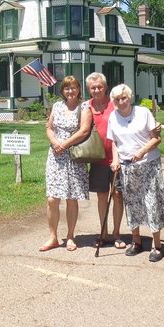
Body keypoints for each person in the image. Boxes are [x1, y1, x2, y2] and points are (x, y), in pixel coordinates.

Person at [107, 84, 164, 262]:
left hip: (148, 164)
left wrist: (143, 151)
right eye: (117, 99)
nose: (121, 102)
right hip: (127, 166)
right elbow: (114, 142)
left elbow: (156, 138)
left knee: (151, 203)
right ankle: (136, 242)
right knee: (132, 204)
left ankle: (157, 246)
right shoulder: (113, 117)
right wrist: (115, 160)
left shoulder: (143, 113)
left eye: (124, 98)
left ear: (130, 97)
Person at [40, 75, 93, 252]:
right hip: (56, 156)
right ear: (62, 91)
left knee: (71, 199)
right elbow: (49, 127)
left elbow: (85, 131)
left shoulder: (84, 107)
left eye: (74, 87)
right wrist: (55, 142)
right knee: (52, 199)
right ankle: (53, 237)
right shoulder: (57, 106)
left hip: (74, 156)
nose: (70, 91)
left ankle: (70, 236)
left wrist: (65, 144)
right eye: (67, 88)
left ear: (79, 89)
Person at [84, 73, 126, 249]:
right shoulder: (86, 107)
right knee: (102, 197)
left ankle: (116, 234)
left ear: (105, 87)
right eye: (93, 87)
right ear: (88, 89)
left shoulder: (114, 104)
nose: (96, 90)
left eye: (99, 86)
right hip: (98, 158)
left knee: (117, 195)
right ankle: (104, 233)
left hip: (117, 158)